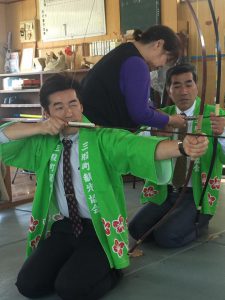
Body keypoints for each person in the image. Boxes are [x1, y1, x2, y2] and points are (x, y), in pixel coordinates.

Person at [0, 73, 208, 300]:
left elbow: (137, 147)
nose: (68, 112)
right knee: (28, 285)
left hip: (98, 231)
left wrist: (182, 147)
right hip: (63, 228)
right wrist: (38, 128)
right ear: (47, 113)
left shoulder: (102, 138)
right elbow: (4, 138)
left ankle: (114, 269)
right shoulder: (42, 143)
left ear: (81, 105)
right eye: (58, 107)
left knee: (70, 289)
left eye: (73, 104)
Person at [129, 63, 225, 248]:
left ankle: (200, 222)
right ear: (168, 90)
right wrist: (154, 130)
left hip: (195, 194)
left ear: (197, 87)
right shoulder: (160, 116)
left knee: (167, 237)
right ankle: (174, 219)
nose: (183, 91)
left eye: (189, 84)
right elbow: (135, 144)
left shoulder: (215, 116)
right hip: (166, 191)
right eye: (177, 85)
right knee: (136, 229)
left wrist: (221, 132)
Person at [81, 25, 186, 129]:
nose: (163, 65)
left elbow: (136, 103)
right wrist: (170, 120)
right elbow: (140, 114)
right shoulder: (137, 64)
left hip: (90, 125)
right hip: (99, 132)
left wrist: (160, 116)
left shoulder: (126, 50)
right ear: (158, 44)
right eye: (167, 59)